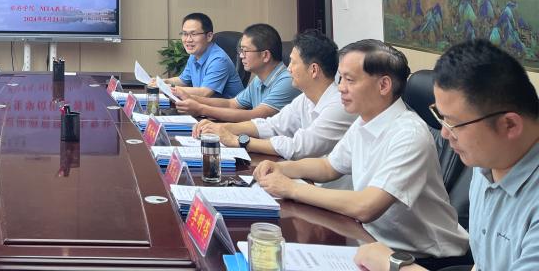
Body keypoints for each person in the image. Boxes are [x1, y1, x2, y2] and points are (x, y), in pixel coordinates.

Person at [254, 39, 468, 265]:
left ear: (383, 85)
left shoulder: (410, 134)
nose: (340, 88)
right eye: (340, 78)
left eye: (350, 80)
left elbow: (366, 206)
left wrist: (291, 189)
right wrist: (281, 168)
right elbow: (328, 167)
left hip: (427, 260)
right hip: (373, 242)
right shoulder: (365, 120)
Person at [354, 40, 539, 271]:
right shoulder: (489, 161)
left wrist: (395, 264)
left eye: (454, 123)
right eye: (441, 117)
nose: (444, 133)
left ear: (509, 125)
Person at [193, 29, 355, 158]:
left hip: (322, 186)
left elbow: (298, 147)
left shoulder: (338, 106)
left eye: (293, 62)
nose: (289, 68)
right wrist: (222, 128)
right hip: (303, 177)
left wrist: (238, 141)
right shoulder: (305, 99)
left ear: (313, 70)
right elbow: (271, 126)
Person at [175, 23, 298, 122]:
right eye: (240, 50)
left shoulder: (287, 81)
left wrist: (201, 109)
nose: (241, 56)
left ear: (265, 55)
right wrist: (191, 98)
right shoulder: (259, 79)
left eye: (245, 51)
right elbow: (231, 104)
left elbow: (256, 116)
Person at [157, 12, 244, 99]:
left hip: (227, 107)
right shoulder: (195, 54)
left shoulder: (219, 60)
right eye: (185, 34)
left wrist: (167, 88)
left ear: (209, 36)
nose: (188, 40)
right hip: (204, 105)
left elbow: (204, 93)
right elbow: (182, 80)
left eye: (194, 34)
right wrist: (163, 82)